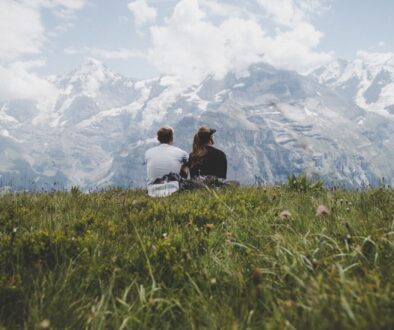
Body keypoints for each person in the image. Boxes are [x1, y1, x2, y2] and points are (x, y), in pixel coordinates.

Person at [145, 126, 188, 197]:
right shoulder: (181, 152)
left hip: (152, 191)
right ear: (172, 138)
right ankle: (182, 183)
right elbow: (188, 162)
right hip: (174, 189)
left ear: (158, 139)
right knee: (186, 164)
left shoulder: (148, 152)